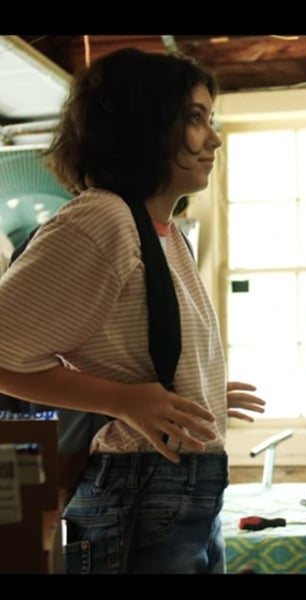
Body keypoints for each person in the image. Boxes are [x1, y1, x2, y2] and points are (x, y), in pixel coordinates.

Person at [0, 47, 264, 574]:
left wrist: (197, 389)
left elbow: (124, 351)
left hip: (174, 493)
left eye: (210, 119)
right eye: (194, 119)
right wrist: (123, 400)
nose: (213, 138)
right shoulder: (102, 221)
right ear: (144, 125)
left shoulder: (161, 232)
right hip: (139, 492)